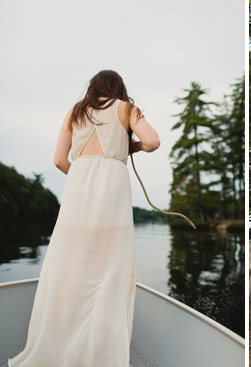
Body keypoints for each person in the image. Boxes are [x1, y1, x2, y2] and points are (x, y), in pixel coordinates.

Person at [9, 70, 160, 367]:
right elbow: (153, 141)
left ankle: (60, 351)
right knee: (109, 272)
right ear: (118, 88)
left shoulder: (75, 112)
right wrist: (134, 146)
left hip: (78, 193)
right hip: (112, 193)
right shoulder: (126, 108)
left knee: (70, 269)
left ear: (93, 87)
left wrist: (82, 176)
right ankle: (100, 355)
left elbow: (59, 160)